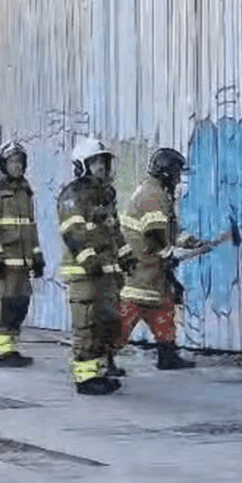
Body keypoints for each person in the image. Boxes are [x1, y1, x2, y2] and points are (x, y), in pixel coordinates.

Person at [116, 147, 231, 370]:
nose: (179, 179)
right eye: (177, 173)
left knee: (164, 310)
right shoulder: (153, 196)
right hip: (141, 271)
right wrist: (170, 255)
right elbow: (155, 235)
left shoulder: (157, 192)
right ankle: (104, 359)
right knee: (127, 317)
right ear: (166, 172)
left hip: (151, 271)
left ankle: (167, 357)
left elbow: (170, 232)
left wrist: (192, 242)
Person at [56, 137, 137, 395]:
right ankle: (86, 379)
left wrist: (126, 256)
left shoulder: (106, 195)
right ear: (82, 165)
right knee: (87, 325)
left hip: (107, 272)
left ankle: (100, 371)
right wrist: (89, 259)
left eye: (103, 161)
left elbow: (114, 231)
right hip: (85, 273)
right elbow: (73, 231)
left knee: (107, 323)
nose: (101, 166)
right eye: (94, 162)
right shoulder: (72, 195)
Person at [0, 140, 45, 367]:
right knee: (1, 306)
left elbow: (30, 227)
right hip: (3, 262)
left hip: (22, 263)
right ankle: (0, 352)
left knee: (19, 305)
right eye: (13, 161)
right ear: (3, 164)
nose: (17, 166)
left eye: (20, 162)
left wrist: (37, 256)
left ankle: (11, 348)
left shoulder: (25, 191)